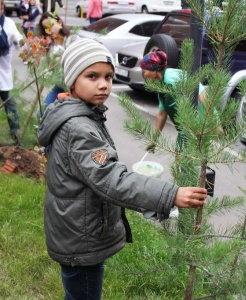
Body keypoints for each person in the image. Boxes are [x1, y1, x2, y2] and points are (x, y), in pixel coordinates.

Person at [37, 38, 208, 300]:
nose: (104, 84)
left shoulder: (80, 115)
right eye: (92, 76)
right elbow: (112, 180)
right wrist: (170, 195)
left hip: (76, 230)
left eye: (108, 76)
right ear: (72, 81)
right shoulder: (79, 128)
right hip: (80, 237)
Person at [140, 49, 207, 152]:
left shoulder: (171, 80)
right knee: (179, 155)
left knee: (186, 158)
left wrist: (213, 118)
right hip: (186, 127)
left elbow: (198, 89)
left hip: (198, 124)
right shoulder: (161, 84)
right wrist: (154, 141)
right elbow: (162, 114)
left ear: (154, 70)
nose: (144, 74)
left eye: (144, 71)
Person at [36, 12, 74, 113]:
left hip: (74, 86)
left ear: (59, 23)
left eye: (51, 25)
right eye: (45, 27)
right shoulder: (49, 45)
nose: (49, 30)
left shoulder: (71, 39)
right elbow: (45, 68)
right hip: (60, 85)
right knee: (42, 112)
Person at [0, 0, 23, 146]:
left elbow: (18, 40)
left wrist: (21, 43)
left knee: (10, 106)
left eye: (0, 7)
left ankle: (16, 136)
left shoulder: (8, 23)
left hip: (3, 74)